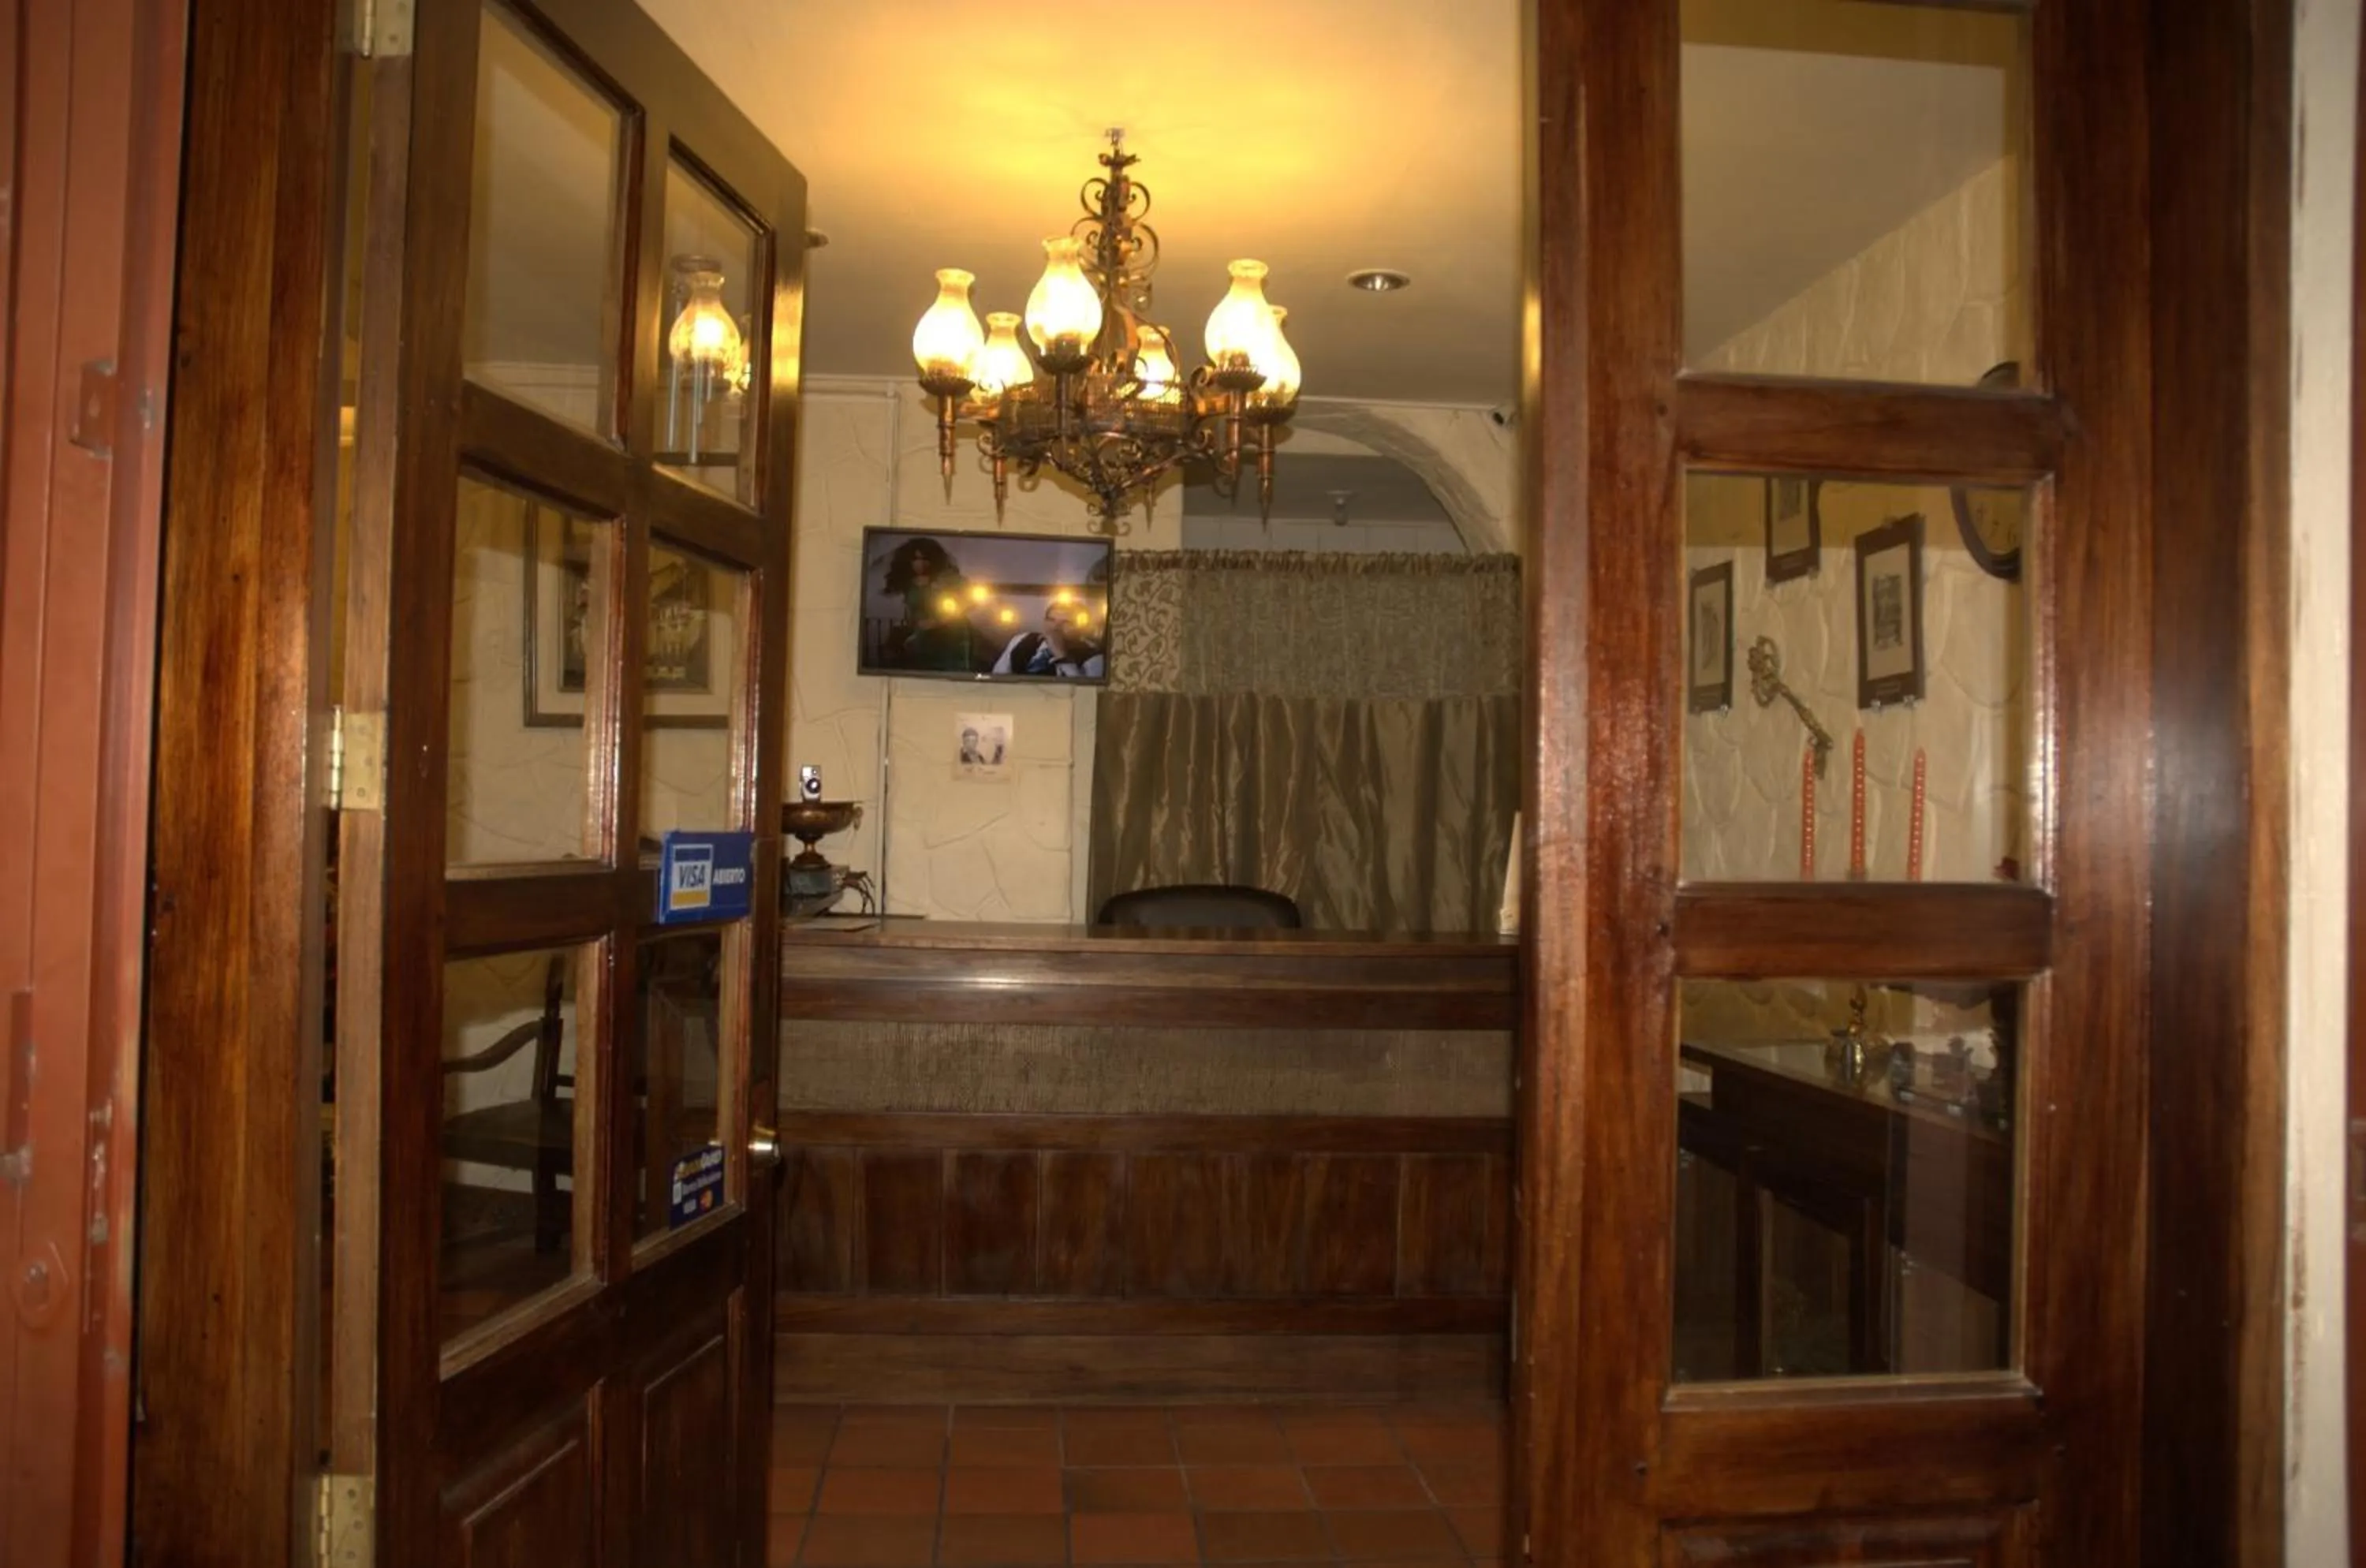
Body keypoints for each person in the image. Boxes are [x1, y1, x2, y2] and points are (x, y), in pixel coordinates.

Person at [880, 535, 979, 672]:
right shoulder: (910, 584)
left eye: (925, 558)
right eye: (915, 559)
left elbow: (971, 602)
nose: (920, 563)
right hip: (923, 642)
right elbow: (914, 613)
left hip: (951, 641)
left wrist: (937, 621)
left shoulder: (949, 578)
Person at [991, 601, 1106, 679]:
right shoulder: (1022, 640)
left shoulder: (1093, 656)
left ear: (1079, 627)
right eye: (1051, 620)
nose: (1056, 627)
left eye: (1066, 623)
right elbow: (997, 678)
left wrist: (1062, 656)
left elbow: (1085, 694)